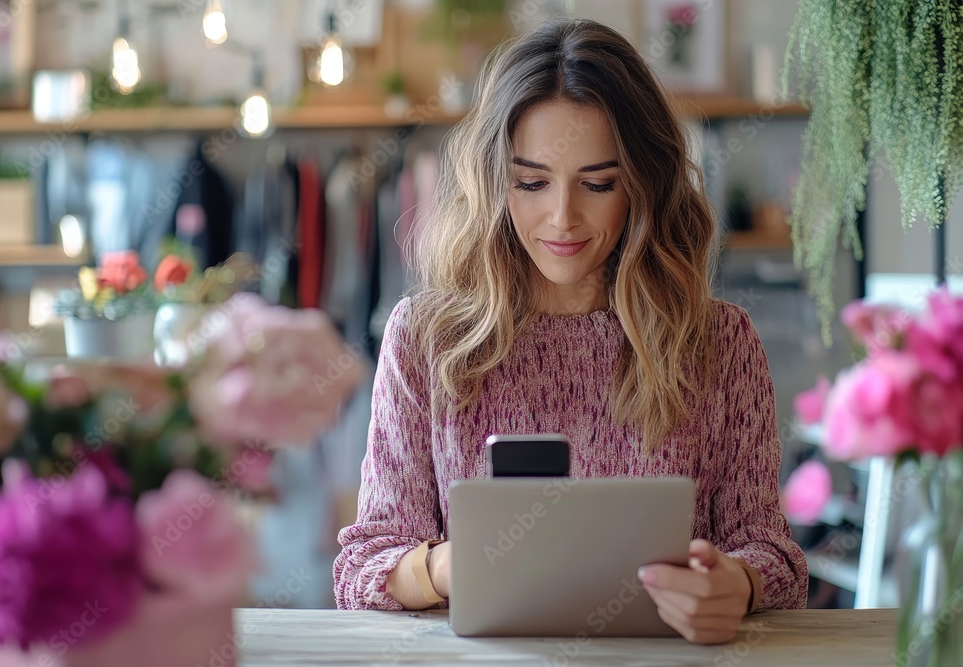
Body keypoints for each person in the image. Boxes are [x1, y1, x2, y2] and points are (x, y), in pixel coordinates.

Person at [334, 18, 809, 644]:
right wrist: (449, 566)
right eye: (531, 183)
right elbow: (360, 568)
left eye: (597, 184)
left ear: (642, 184)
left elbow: (773, 555)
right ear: (493, 184)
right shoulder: (426, 341)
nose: (562, 217)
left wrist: (737, 584)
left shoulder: (719, 341)